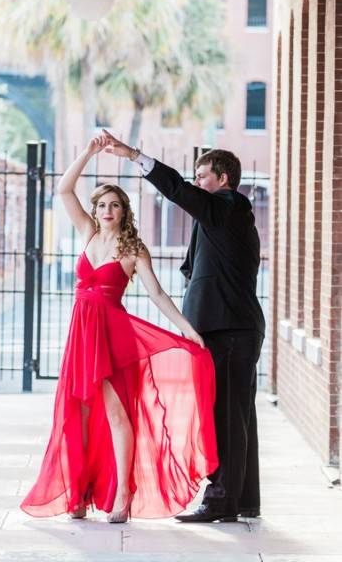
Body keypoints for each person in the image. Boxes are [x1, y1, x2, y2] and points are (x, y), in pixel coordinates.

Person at [20, 135, 218, 523]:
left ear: (124, 211)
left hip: (111, 336)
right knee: (75, 413)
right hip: (81, 334)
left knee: (114, 413)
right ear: (95, 211)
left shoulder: (133, 250)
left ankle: (123, 495)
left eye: (114, 205)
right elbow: (63, 188)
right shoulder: (87, 235)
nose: (107, 210)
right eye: (101, 205)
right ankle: (78, 493)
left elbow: (158, 294)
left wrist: (188, 330)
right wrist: (90, 152)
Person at [102, 130, 265, 523]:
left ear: (222, 180)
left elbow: (177, 190)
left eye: (202, 176)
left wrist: (134, 156)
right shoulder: (221, 217)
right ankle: (244, 499)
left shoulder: (227, 205)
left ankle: (221, 501)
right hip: (229, 326)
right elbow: (195, 265)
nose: (195, 184)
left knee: (225, 416)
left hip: (229, 330)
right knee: (239, 415)